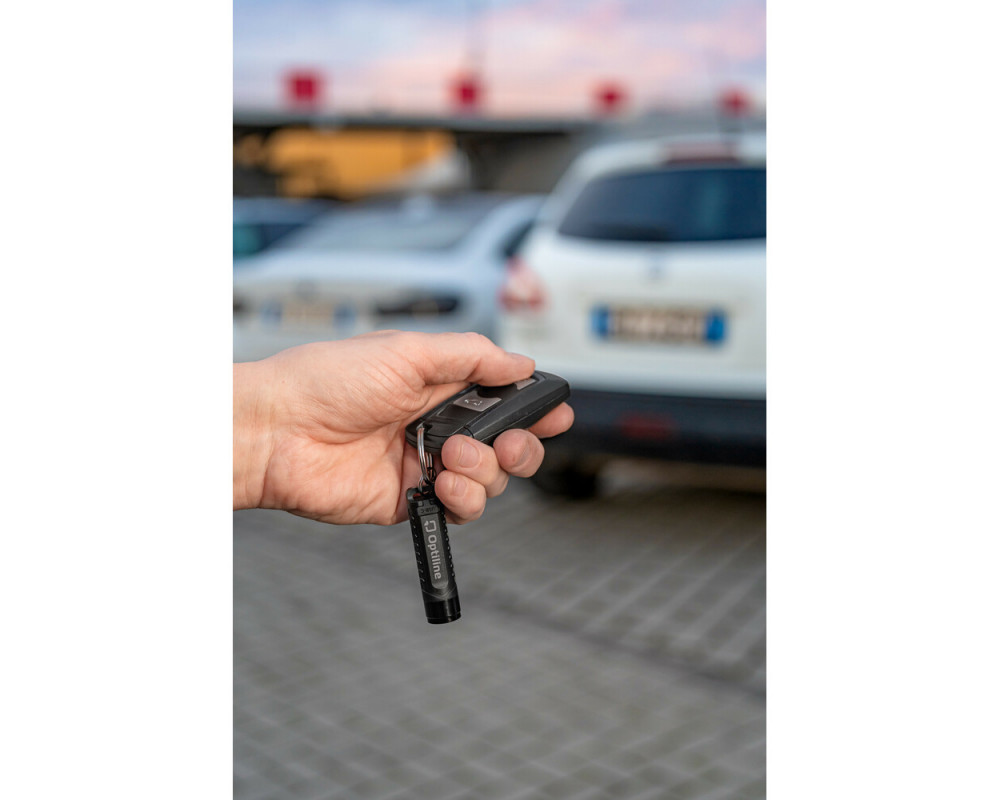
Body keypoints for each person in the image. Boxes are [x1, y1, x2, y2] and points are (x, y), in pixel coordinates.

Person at [234, 330, 574, 525]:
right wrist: (271, 430)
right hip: (417, 442)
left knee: (499, 457)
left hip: (417, 443)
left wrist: (268, 439)